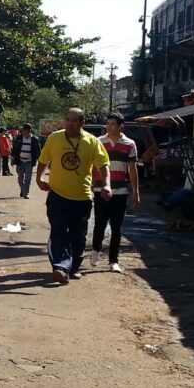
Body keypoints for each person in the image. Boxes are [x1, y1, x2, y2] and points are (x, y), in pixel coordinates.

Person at [36, 108, 111, 284]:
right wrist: (39, 178)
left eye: (74, 120)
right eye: (67, 120)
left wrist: (107, 185)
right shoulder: (54, 138)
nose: (70, 123)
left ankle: (74, 267)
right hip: (57, 195)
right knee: (59, 230)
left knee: (78, 235)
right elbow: (42, 161)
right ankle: (60, 267)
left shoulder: (92, 142)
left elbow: (103, 165)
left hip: (82, 197)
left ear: (82, 123)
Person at [90, 112, 140, 274]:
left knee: (117, 228)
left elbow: (132, 169)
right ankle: (96, 251)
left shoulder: (130, 144)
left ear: (120, 126)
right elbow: (92, 166)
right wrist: (90, 184)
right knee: (100, 224)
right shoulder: (98, 142)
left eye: (112, 124)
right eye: (108, 123)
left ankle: (113, 261)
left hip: (121, 191)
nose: (109, 126)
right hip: (100, 190)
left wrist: (136, 191)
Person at [12, 124, 42, 199]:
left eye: (27, 130)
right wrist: (13, 159)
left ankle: (26, 193)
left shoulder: (34, 139)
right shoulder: (18, 138)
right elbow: (14, 149)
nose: (25, 132)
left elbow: (38, 150)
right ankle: (23, 189)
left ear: (29, 131)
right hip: (20, 161)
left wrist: (40, 160)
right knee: (20, 178)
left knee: (28, 178)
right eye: (24, 130)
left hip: (29, 161)